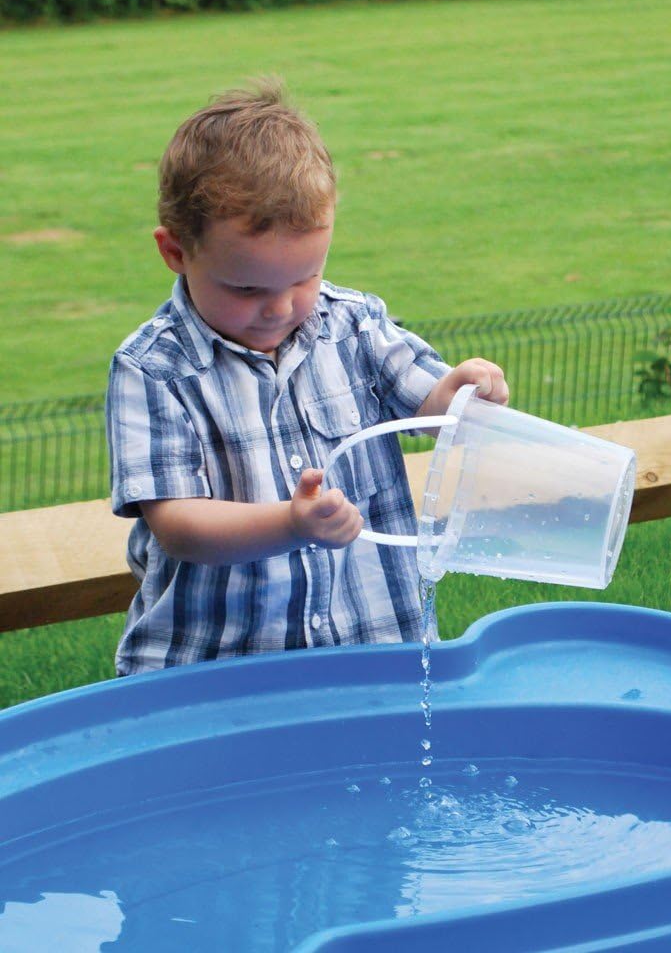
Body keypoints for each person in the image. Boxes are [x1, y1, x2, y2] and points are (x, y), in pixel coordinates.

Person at [106, 78, 508, 675]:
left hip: (374, 651)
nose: (280, 307)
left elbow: (432, 405)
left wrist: (463, 391)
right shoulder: (154, 368)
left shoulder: (354, 326)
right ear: (176, 253)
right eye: (247, 288)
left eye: (305, 278)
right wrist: (290, 524)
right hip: (216, 670)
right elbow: (180, 527)